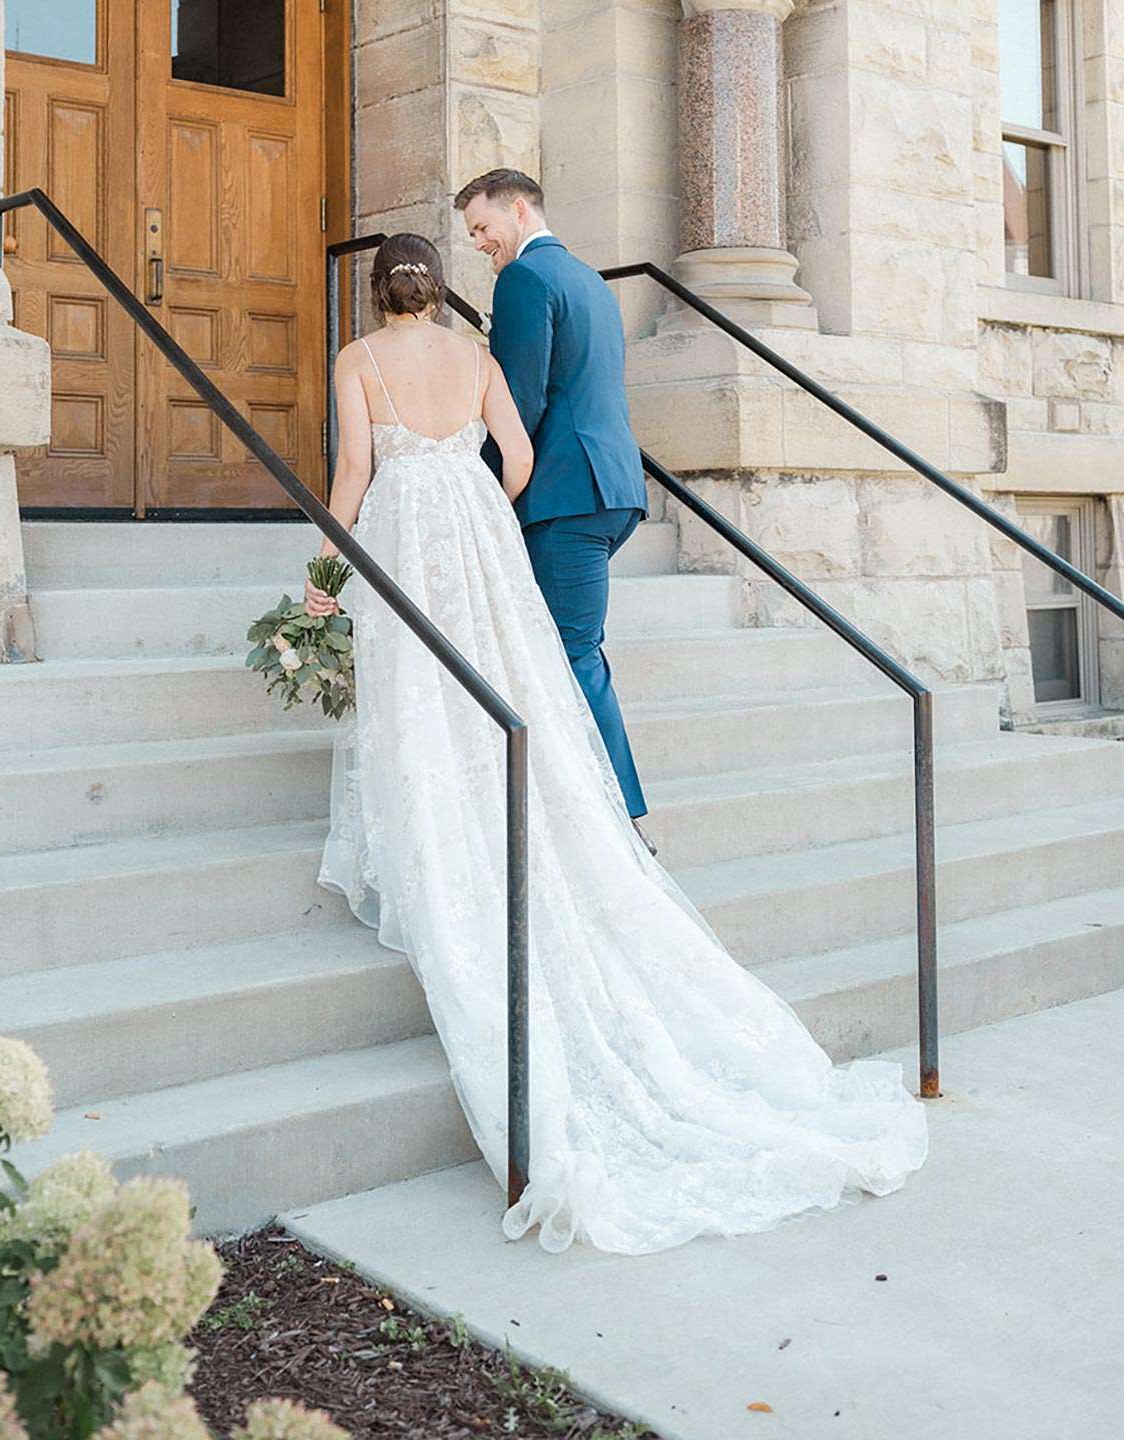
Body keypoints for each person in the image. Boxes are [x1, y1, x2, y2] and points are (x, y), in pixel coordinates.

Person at [306, 231, 928, 1256]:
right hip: (473, 529)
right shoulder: (474, 358)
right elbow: (518, 458)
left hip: (407, 535)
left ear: (376, 291)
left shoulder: (358, 360)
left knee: (424, 694)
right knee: (508, 687)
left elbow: (350, 469)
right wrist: (471, 504)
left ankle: (441, 832)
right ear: (436, 291)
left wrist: (327, 572)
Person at [454, 169, 654, 852]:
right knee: (563, 649)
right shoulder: (587, 279)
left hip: (566, 496)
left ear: (517, 209)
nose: (480, 242)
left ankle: (621, 821)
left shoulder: (523, 280)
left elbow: (521, 400)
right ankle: (573, 795)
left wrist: (483, 489)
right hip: (610, 488)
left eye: (482, 227)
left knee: (574, 653)